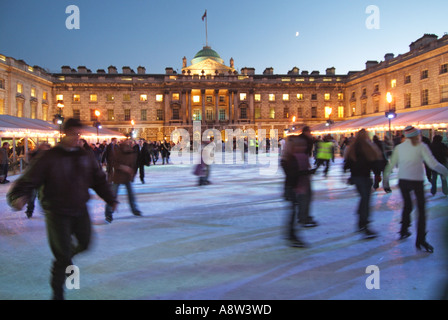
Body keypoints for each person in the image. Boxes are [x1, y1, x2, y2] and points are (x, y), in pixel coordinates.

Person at [7, 118, 118, 300]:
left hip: (79, 208)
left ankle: (65, 258)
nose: (77, 138)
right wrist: (18, 197)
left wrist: (110, 198)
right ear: (64, 134)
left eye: (78, 134)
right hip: (57, 212)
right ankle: (58, 293)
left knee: (85, 243)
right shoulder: (49, 157)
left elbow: (97, 178)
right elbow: (29, 180)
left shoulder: (84, 155)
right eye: (73, 134)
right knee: (62, 255)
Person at [384, 126, 448, 253]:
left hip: (403, 181)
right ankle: (420, 239)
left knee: (407, 205)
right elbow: (433, 164)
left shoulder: (399, 148)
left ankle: (404, 229)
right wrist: (445, 171)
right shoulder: (421, 146)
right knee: (421, 210)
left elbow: (391, 165)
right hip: (417, 181)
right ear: (416, 135)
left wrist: (385, 179)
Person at [344, 129, 382, 239]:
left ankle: (361, 218)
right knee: (365, 199)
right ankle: (363, 223)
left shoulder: (353, 147)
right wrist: (377, 173)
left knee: (364, 198)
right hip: (364, 177)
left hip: (356, 177)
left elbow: (348, 163)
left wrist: (348, 171)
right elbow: (374, 162)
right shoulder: (368, 147)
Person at [281, 135, 317, 247]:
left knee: (294, 211)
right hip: (292, 187)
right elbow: (292, 174)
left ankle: (292, 233)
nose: (303, 147)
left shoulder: (297, 157)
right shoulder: (289, 158)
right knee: (293, 211)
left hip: (297, 186)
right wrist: (307, 173)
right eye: (300, 145)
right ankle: (292, 234)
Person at [104, 139, 142, 223]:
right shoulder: (118, 152)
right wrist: (124, 168)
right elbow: (114, 163)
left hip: (126, 177)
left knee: (130, 195)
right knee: (113, 195)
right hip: (118, 177)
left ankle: (134, 209)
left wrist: (132, 173)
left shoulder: (132, 153)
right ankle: (108, 213)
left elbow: (134, 166)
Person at [24, 142, 51, 218]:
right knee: (32, 196)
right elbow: (30, 163)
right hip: (34, 179)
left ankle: (45, 209)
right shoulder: (35, 154)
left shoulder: (50, 156)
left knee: (42, 195)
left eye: (45, 146)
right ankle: (30, 210)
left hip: (44, 180)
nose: (43, 148)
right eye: (42, 146)